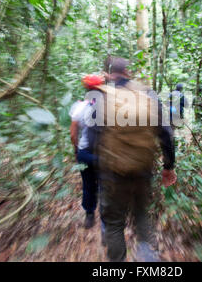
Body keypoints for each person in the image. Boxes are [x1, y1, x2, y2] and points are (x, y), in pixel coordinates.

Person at [92, 56, 177, 262]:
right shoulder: (147, 93)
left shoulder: (102, 97)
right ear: (128, 73)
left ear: (109, 75)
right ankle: (148, 260)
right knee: (141, 216)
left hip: (113, 173)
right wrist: (168, 166)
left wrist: (99, 170)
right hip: (142, 170)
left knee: (114, 223)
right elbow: (166, 133)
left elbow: (95, 136)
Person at [69, 74, 104, 229]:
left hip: (85, 151)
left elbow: (72, 134)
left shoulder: (79, 107)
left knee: (88, 184)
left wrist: (76, 151)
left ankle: (89, 215)